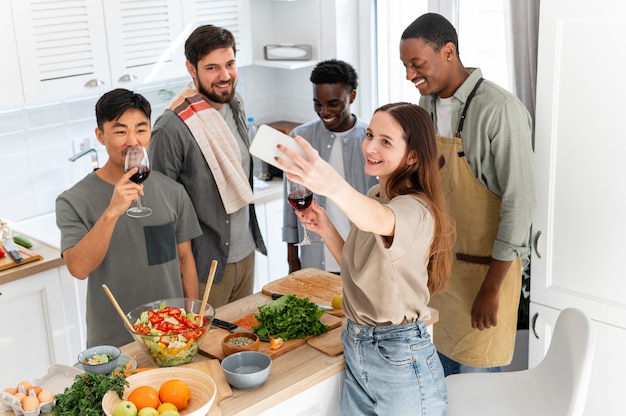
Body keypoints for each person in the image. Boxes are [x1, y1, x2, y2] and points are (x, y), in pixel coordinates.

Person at [276, 102, 454, 415]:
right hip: (358, 345)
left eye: (386, 141)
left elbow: (380, 220)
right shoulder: (375, 195)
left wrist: (331, 184)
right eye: (370, 135)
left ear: (412, 155)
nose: (370, 146)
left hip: (399, 357)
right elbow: (356, 269)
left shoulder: (416, 210)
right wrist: (326, 227)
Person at [400, 12, 537, 375]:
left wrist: (491, 289)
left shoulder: (500, 111)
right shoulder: (424, 108)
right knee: (439, 392)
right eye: (405, 65)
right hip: (441, 277)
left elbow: (519, 204)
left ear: (448, 52)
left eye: (416, 64)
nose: (410, 75)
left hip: (485, 277)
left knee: (477, 394)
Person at [56, 88, 202, 348]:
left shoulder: (173, 191)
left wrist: (193, 323)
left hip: (171, 336)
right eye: (121, 131)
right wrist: (112, 210)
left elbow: (184, 259)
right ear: (100, 136)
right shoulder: (72, 200)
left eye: (141, 130)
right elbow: (78, 268)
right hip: (113, 344)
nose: (133, 141)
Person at [149, 25, 266, 308]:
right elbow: (160, 213)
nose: (225, 76)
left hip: (245, 255)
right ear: (192, 68)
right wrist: (171, 281)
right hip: (203, 269)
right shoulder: (171, 128)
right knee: (204, 350)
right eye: (212, 67)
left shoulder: (235, 104)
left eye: (230, 64)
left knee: (242, 344)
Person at [283, 59, 378, 274]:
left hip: (362, 262)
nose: (324, 111)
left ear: (352, 96)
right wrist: (292, 261)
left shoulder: (371, 141)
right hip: (314, 263)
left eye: (333, 103)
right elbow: (290, 207)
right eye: (318, 103)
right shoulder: (300, 138)